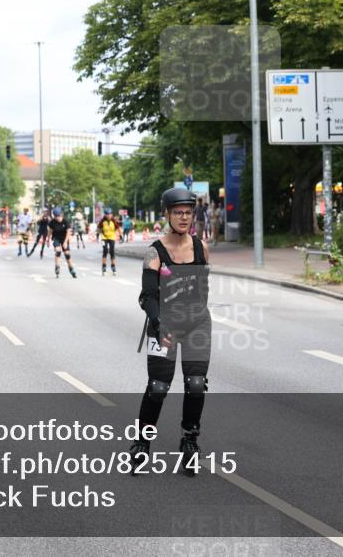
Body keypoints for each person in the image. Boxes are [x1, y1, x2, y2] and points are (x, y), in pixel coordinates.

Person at [130, 187, 211, 477]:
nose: (184, 217)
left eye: (188, 212)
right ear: (167, 214)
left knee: (196, 383)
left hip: (198, 323)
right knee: (158, 387)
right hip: (163, 323)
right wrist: (159, 321)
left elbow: (202, 290)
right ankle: (141, 443)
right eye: (178, 212)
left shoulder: (201, 247)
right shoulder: (155, 251)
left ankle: (190, 441)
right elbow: (147, 296)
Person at [48, 206, 77, 279]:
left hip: (64, 238)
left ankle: (71, 268)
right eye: (56, 216)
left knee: (67, 254)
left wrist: (65, 242)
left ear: (61, 215)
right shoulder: (52, 222)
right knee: (58, 251)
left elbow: (68, 233)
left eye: (59, 216)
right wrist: (48, 240)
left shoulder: (65, 221)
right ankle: (57, 266)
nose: (58, 218)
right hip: (56, 238)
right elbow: (50, 232)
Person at [98, 208, 118, 275]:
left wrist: (121, 236)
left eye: (110, 214)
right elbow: (99, 228)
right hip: (104, 237)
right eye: (107, 214)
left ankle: (113, 266)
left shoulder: (114, 220)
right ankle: (104, 267)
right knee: (105, 250)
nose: (109, 216)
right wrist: (98, 235)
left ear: (112, 214)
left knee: (112, 251)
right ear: (105, 215)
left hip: (112, 237)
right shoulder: (102, 221)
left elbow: (118, 228)